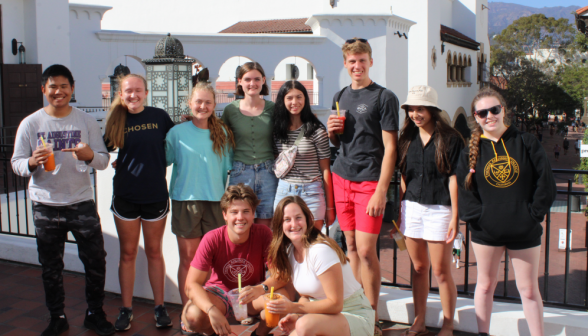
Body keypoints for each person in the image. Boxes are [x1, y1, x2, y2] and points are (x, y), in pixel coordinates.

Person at [11, 64, 114, 336]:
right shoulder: (31, 123)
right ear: (43, 89)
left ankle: (95, 313)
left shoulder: (86, 121)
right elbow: (17, 163)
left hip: (81, 203)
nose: (59, 91)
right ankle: (57, 316)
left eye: (64, 86)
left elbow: (103, 161)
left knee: (95, 261)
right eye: (53, 86)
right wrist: (32, 162)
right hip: (45, 204)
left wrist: (89, 156)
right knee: (51, 266)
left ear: (72, 88)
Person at [457, 88, 556, 336]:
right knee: (485, 286)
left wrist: (532, 215)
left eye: (494, 110)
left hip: (524, 231)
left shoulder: (526, 142)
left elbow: (545, 183)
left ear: (503, 110)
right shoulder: (470, 151)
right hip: (486, 233)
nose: (489, 116)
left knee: (529, 290)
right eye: (482, 112)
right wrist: (479, 219)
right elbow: (465, 192)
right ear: (476, 117)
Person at [326, 37, 399, 336]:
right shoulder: (339, 96)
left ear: (370, 61)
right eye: (352, 61)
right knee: (352, 248)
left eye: (362, 60)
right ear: (345, 64)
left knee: (368, 251)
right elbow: (338, 144)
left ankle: (371, 312)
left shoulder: (384, 97)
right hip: (342, 178)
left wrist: (382, 190)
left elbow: (391, 148)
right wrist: (331, 134)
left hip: (369, 181)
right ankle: (357, 311)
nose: (357, 66)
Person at [104, 74, 175, 331]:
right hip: (125, 196)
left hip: (155, 195)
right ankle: (126, 309)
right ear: (121, 94)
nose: (133, 95)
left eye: (137, 90)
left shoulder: (159, 116)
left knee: (155, 252)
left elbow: (177, 143)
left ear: (145, 92)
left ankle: (159, 307)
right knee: (128, 253)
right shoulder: (115, 119)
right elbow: (105, 151)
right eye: (128, 91)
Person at [390, 85, 463, 336]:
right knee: (419, 268)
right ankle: (419, 321)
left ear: (432, 110)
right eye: (411, 109)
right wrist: (398, 213)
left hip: (439, 210)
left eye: (420, 108)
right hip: (411, 208)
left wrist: (455, 216)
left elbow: (453, 178)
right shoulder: (406, 139)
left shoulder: (451, 139)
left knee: (441, 271)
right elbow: (403, 177)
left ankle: (448, 324)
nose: (415, 114)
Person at [165, 82, 234, 332]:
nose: (202, 106)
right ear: (189, 103)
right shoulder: (176, 133)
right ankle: (188, 312)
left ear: (214, 105)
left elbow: (229, 167)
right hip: (185, 201)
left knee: (213, 261)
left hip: (216, 202)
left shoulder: (223, 133)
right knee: (189, 259)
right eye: (198, 102)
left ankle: (209, 307)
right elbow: (162, 160)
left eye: (208, 102)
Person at [182, 184, 290, 336]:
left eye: (246, 211)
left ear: (253, 214)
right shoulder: (212, 238)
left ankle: (259, 335)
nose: (240, 217)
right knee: (193, 316)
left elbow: (281, 274)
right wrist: (211, 310)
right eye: (234, 212)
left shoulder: (263, 234)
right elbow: (191, 284)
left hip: (252, 292)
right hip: (220, 293)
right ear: (225, 215)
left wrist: (260, 288)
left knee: (282, 299)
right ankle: (216, 333)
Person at [264, 196, 375, 336]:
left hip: (353, 313)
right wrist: (297, 315)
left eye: (298, 217)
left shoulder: (320, 251)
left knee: (305, 325)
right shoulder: (291, 252)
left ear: (307, 220)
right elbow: (306, 296)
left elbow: (335, 304)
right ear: (280, 225)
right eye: (287, 219)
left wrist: (294, 307)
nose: (294, 224)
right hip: (325, 316)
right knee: (299, 328)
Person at [272, 80, 335, 230]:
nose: (295, 102)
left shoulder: (316, 130)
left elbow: (326, 170)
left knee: (312, 243)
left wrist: (330, 207)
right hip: (284, 190)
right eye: (289, 98)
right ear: (282, 101)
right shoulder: (277, 131)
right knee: (285, 243)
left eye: (299, 97)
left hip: (311, 192)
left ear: (305, 99)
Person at [222, 62, 277, 227]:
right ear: (240, 81)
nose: (252, 83)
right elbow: (218, 134)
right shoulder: (230, 110)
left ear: (263, 80)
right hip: (240, 171)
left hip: (268, 171)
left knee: (266, 221)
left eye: (256, 79)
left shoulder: (273, 108)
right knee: (240, 219)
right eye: (247, 79)